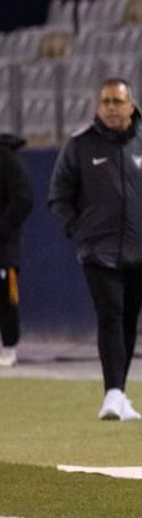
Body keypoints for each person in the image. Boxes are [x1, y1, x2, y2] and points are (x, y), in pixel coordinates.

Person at [46, 80, 142, 420]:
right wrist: (80, 233)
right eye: (105, 101)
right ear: (97, 105)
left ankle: (120, 393)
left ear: (131, 105)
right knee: (110, 315)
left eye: (117, 101)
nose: (110, 107)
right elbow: (59, 197)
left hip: (140, 250)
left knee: (129, 321)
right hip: (97, 251)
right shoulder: (79, 146)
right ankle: (112, 393)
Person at [0, 131, 33, 367]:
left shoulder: (6, 157)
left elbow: (23, 197)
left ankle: (8, 346)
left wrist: (2, 228)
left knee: (4, 294)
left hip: (3, 244)